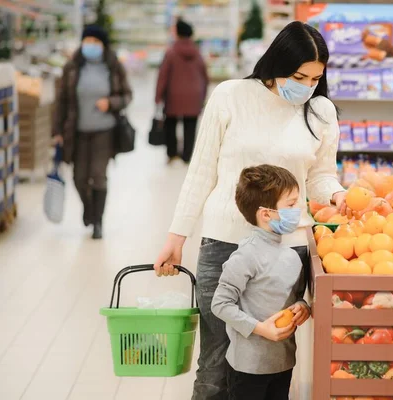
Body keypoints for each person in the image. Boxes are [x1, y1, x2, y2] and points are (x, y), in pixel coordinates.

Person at [153, 21, 349, 400]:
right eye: (299, 76)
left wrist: (338, 194)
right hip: (225, 243)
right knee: (214, 363)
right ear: (276, 64)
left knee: (268, 360)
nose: (307, 87)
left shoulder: (321, 111)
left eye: (315, 79)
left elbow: (322, 175)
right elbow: (201, 172)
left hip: (285, 251)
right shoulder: (230, 96)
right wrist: (176, 237)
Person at [211, 165, 311, 400]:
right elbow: (220, 304)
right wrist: (260, 328)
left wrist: (302, 307)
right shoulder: (246, 255)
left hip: (283, 361)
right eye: (290, 205)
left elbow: (295, 297)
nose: (297, 210)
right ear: (266, 214)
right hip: (248, 366)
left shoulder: (290, 255)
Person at [53, 25, 132, 239]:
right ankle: (89, 209)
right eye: (87, 41)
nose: (91, 46)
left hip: (105, 132)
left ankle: (98, 221)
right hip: (76, 132)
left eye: (95, 42)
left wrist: (111, 102)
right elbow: (61, 101)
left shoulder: (113, 67)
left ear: (103, 45)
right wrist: (57, 130)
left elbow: (127, 95)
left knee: (98, 176)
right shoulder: (72, 67)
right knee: (79, 178)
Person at [155, 19, 208, 164]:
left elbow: (163, 76)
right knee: (190, 126)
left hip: (174, 96)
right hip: (194, 96)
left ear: (177, 33)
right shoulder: (197, 52)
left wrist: (158, 96)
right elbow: (204, 76)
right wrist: (203, 96)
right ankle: (187, 156)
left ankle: (172, 154)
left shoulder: (171, 52)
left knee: (171, 124)